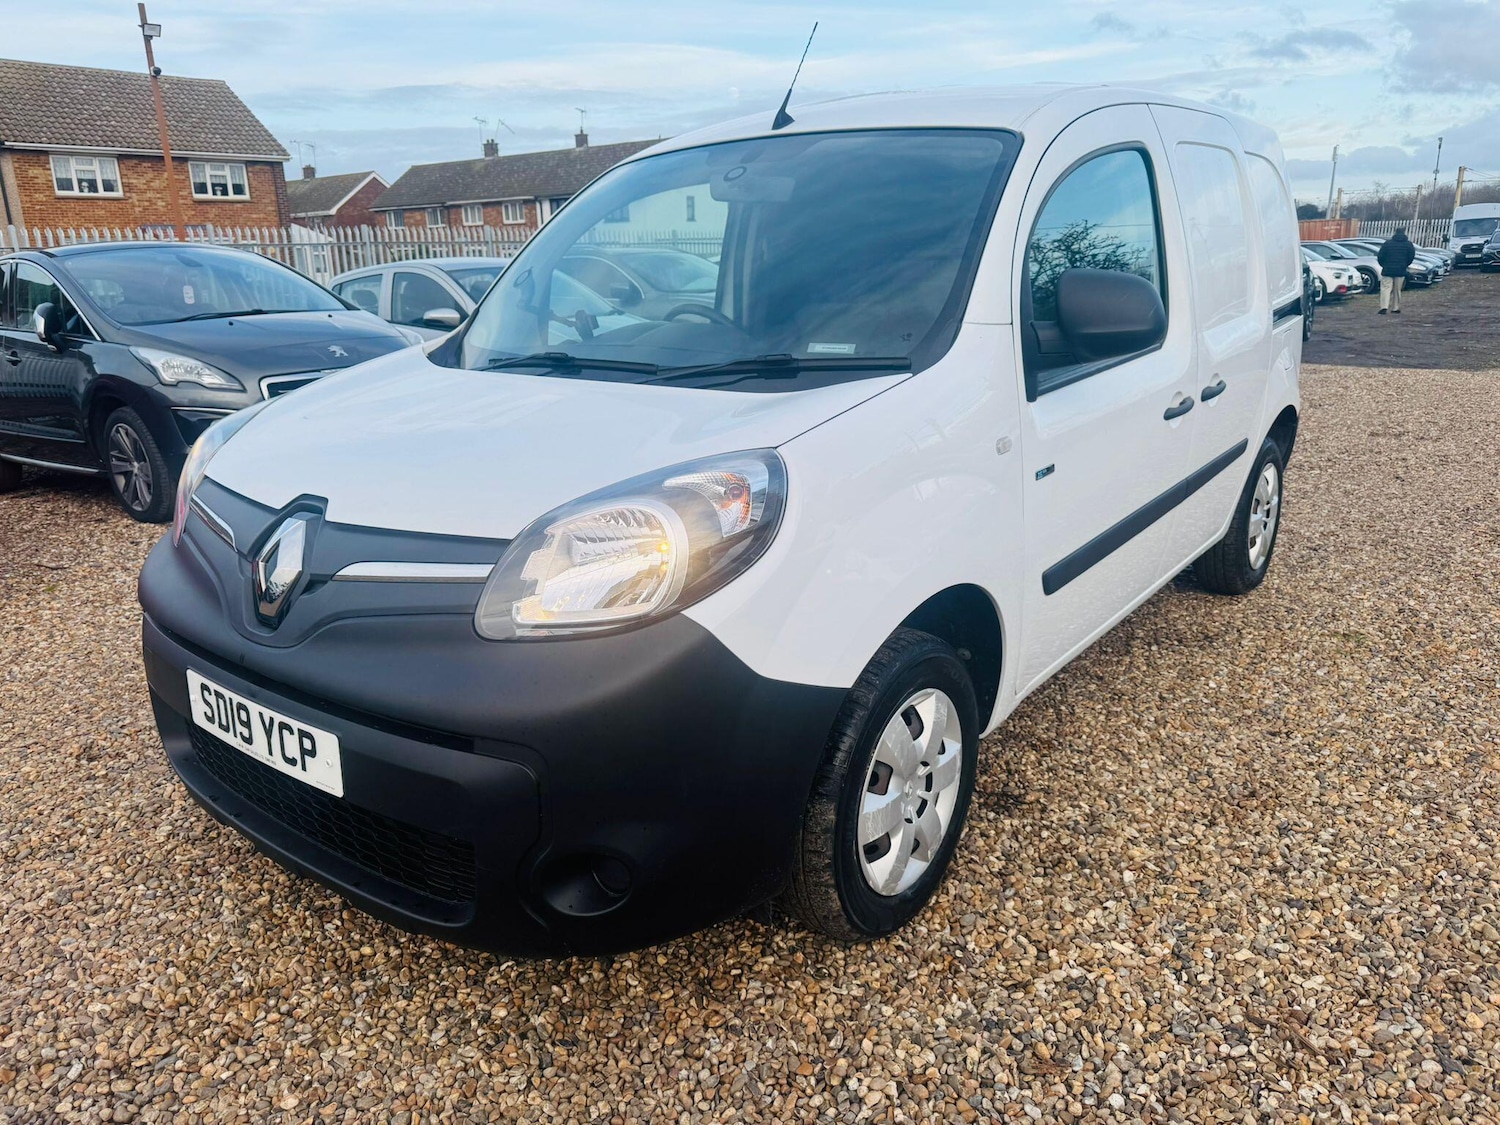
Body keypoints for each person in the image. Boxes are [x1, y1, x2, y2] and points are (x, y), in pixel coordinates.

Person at [1376, 227, 1416, 314]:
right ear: (1404, 233)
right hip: (1401, 270)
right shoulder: (1408, 244)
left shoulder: (1387, 244)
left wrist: (1384, 265)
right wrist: (1405, 265)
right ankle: (1395, 308)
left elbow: (1380, 256)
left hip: (1387, 269)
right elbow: (1411, 256)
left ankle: (1384, 307)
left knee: (1385, 288)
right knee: (1397, 290)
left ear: (1395, 233)